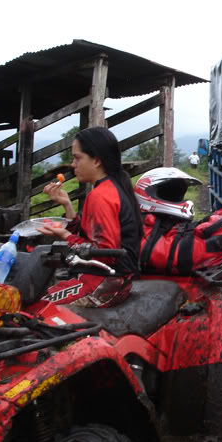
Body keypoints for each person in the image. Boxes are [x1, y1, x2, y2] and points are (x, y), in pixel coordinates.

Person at [38, 127, 142, 307]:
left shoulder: (101, 196)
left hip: (105, 282)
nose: (72, 164)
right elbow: (90, 237)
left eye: (77, 158)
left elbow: (104, 254)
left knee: (39, 305)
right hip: (114, 279)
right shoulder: (111, 187)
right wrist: (67, 205)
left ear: (96, 160)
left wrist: (65, 236)